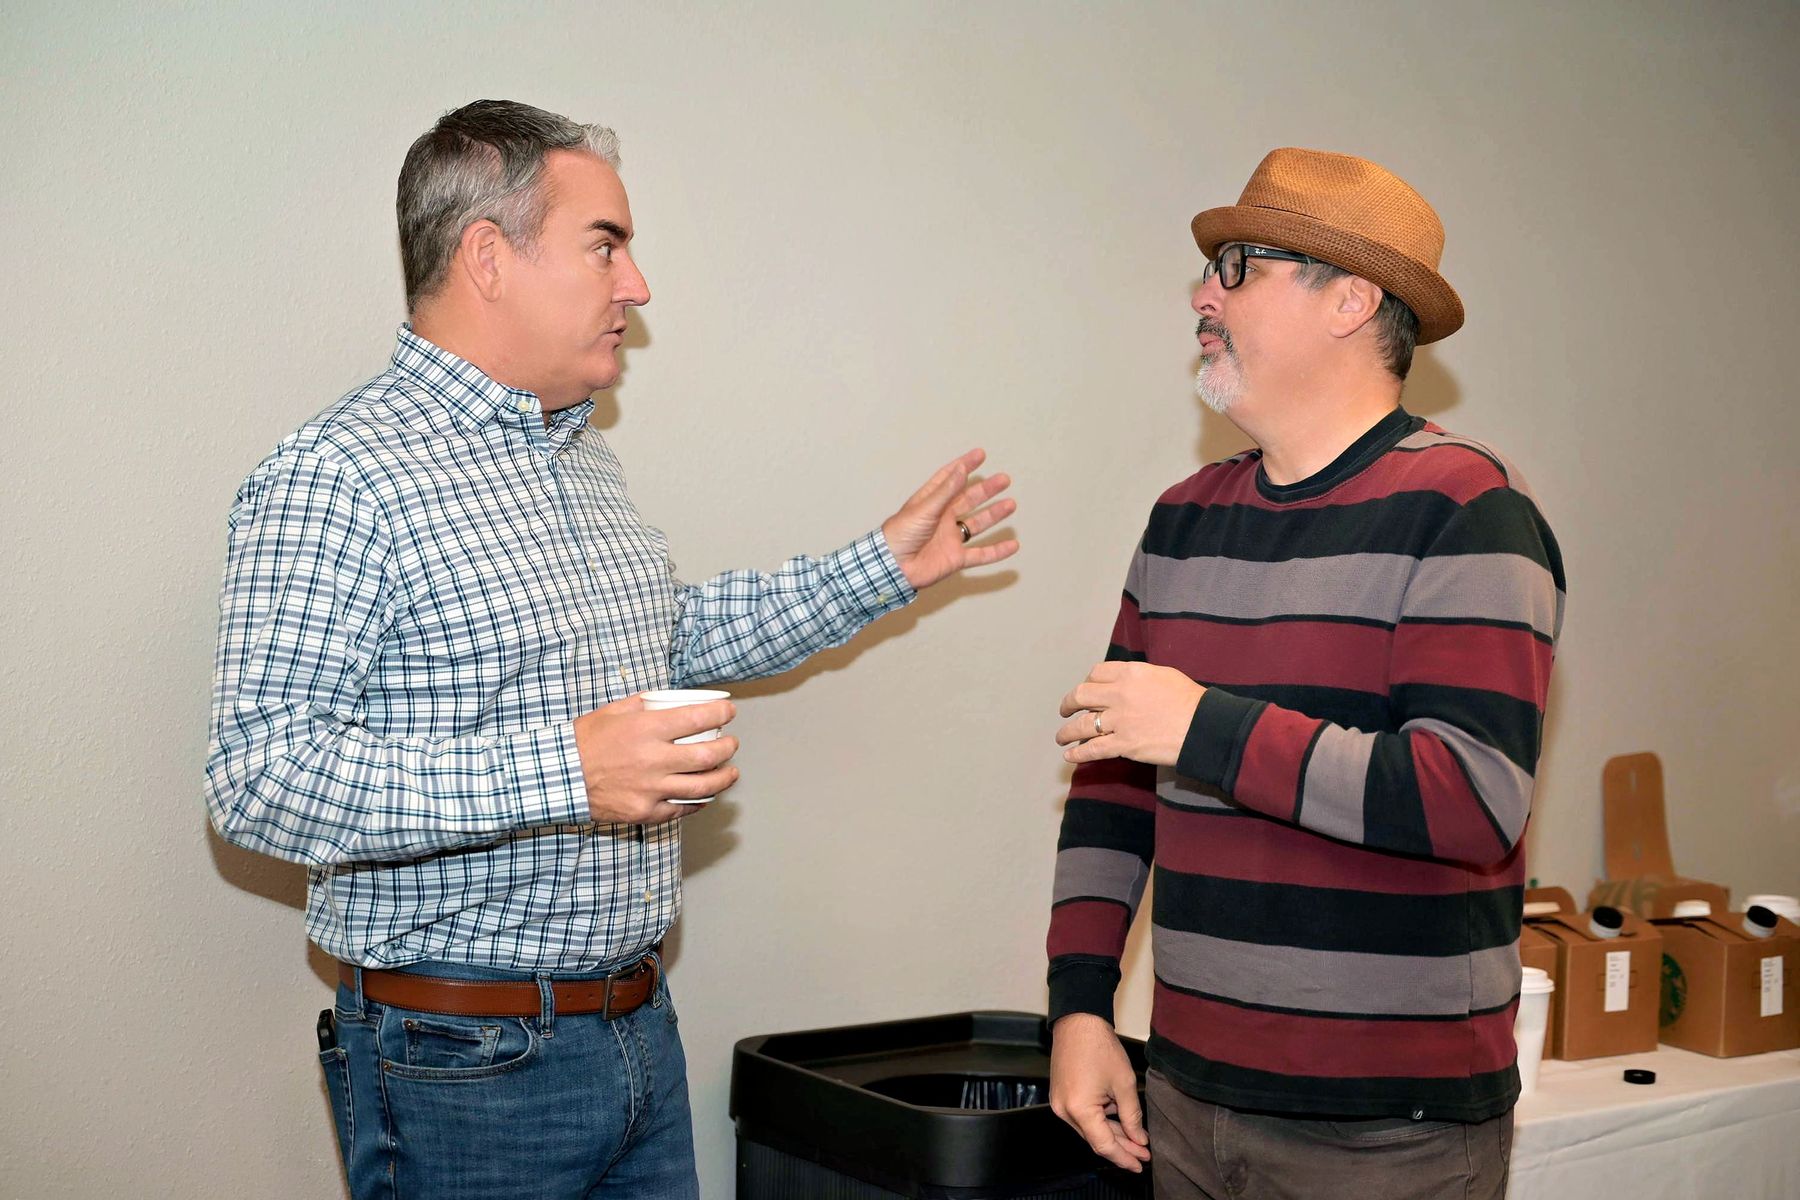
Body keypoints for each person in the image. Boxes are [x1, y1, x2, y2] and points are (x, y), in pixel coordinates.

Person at [205, 99, 1017, 1200]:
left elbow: (667, 636)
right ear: (488, 257)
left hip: (636, 1033)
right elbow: (259, 779)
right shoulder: (336, 477)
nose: (636, 285)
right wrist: (569, 771)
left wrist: (879, 569)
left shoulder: (579, 456)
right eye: (605, 245)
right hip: (463, 1069)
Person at [1044, 148, 1564, 1199]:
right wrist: (1080, 1009)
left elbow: (1469, 800)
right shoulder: (1184, 517)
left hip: (1386, 1136)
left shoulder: (1466, 508)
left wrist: (1204, 728)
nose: (1202, 295)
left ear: (1351, 300)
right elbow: (1112, 787)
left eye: (1237, 268)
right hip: (1184, 1100)